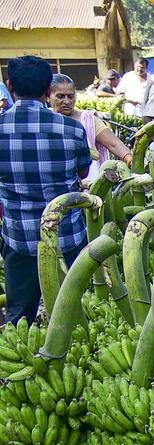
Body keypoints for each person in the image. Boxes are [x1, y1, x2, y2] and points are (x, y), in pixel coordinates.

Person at [0, 55, 92, 326]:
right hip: (67, 236)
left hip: (20, 238)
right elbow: (82, 173)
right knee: (75, 311)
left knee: (20, 314)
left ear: (10, 86)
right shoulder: (73, 130)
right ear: (48, 91)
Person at [47, 74, 132, 181]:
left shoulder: (88, 120)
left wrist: (129, 158)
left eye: (70, 96)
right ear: (48, 97)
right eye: (60, 96)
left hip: (90, 184)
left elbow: (114, 144)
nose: (67, 101)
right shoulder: (44, 120)